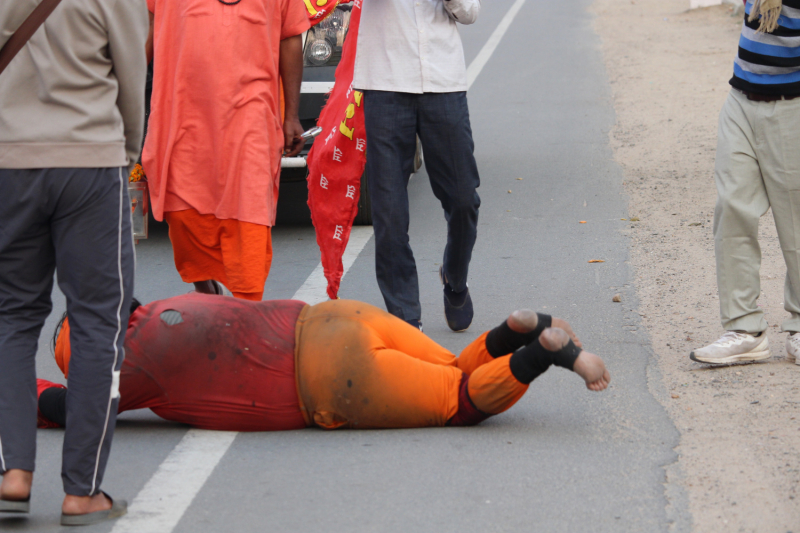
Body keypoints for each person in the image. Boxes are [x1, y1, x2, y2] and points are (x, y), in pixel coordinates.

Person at [39, 295, 610, 432]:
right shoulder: (167, 308)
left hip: (326, 376)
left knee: (460, 403)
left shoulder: (131, 369)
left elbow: (71, 409)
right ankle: (520, 329)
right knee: (456, 371)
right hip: (333, 317)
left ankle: (542, 353)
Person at [0, 0, 147, 525]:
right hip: (88, 159)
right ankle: (82, 491)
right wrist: (127, 150)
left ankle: (14, 473)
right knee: (97, 322)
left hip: (10, 160)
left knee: (12, 317)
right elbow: (132, 72)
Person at [142, 0, 309, 301]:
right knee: (181, 212)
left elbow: (290, 38)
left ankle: (248, 310)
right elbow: (148, 28)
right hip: (181, 109)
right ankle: (203, 283)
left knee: (249, 209)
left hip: (250, 111)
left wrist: (292, 115)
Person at [354, 0, 482, 332]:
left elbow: (469, 13)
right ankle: (406, 319)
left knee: (464, 199)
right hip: (384, 83)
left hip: (443, 83)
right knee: (389, 212)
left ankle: (455, 277)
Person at [690, 0, 800, 366]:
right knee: (733, 209)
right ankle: (744, 330)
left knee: (795, 222)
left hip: (792, 105)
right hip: (741, 97)